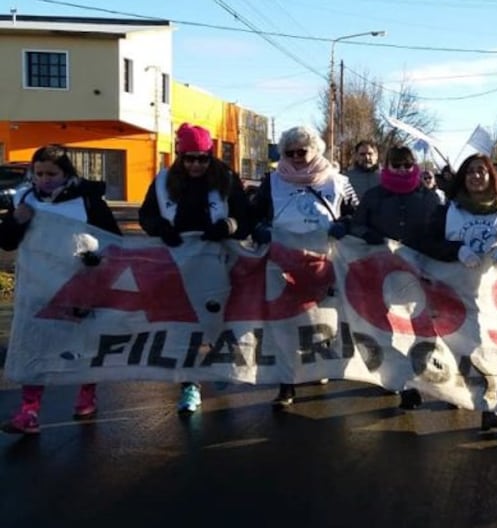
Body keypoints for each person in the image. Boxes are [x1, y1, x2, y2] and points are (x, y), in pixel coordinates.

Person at [0, 144, 122, 435]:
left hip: (80, 285)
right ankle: (28, 411)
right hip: (37, 288)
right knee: (33, 346)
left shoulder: (88, 201)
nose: (44, 179)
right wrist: (16, 221)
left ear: (66, 173)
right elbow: (6, 242)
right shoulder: (24, 198)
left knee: (84, 344)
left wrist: (98, 257)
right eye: (39, 173)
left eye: (51, 173)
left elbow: (113, 238)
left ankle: (86, 396)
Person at [138, 123, 252, 416]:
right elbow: (146, 214)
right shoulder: (164, 180)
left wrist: (229, 226)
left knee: (217, 322)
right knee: (184, 326)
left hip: (218, 262)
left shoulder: (225, 179)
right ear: (180, 155)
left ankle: (218, 368)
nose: (196, 165)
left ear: (210, 156)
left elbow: (244, 216)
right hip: (178, 263)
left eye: (202, 158)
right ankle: (190, 384)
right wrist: (160, 227)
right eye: (189, 158)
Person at [250, 125, 358, 409]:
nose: (297, 157)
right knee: (285, 324)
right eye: (290, 152)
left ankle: (317, 367)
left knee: (322, 322)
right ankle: (287, 384)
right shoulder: (272, 181)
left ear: (316, 150)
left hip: (325, 263)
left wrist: (344, 225)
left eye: (303, 151)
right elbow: (253, 214)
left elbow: (358, 216)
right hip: (282, 263)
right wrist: (258, 228)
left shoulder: (337, 181)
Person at [424, 153, 497, 431]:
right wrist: (456, 250)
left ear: (491, 176)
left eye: (481, 171)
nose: (476, 176)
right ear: (462, 177)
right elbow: (429, 242)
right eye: (470, 172)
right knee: (456, 347)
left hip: (492, 296)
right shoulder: (448, 210)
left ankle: (488, 406)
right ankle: (456, 391)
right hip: (452, 292)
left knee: (488, 349)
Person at [351, 145, 442, 410]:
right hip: (381, 274)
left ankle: (419, 378)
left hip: (419, 274)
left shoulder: (429, 197)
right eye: (397, 165)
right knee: (387, 330)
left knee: (420, 330)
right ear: (387, 166)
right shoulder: (373, 196)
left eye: (407, 165)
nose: (402, 169)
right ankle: (402, 383)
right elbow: (357, 224)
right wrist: (369, 236)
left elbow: (439, 232)